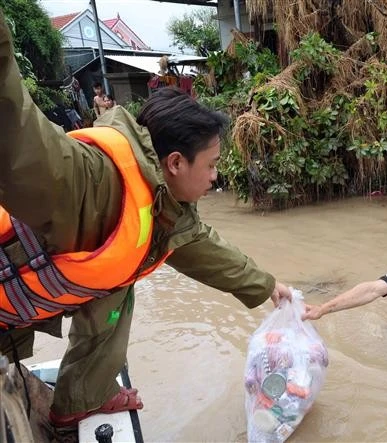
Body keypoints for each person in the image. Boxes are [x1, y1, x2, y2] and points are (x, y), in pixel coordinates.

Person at [0, 13, 292, 429]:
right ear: (174, 162)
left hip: (22, 301)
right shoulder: (89, 177)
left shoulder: (165, 207)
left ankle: (82, 397)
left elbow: (204, 247)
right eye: (210, 166)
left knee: (120, 286)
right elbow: (17, 136)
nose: (216, 177)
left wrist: (268, 286)